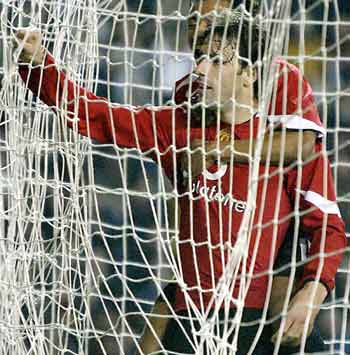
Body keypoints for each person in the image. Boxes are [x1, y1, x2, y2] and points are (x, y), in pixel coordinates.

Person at [14, 5, 346, 354]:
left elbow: (328, 225)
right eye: (200, 58)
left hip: (262, 317)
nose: (200, 69)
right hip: (194, 321)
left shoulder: (284, 142)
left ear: (250, 73)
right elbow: (95, 114)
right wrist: (39, 64)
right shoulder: (177, 125)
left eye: (217, 61)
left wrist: (313, 290)